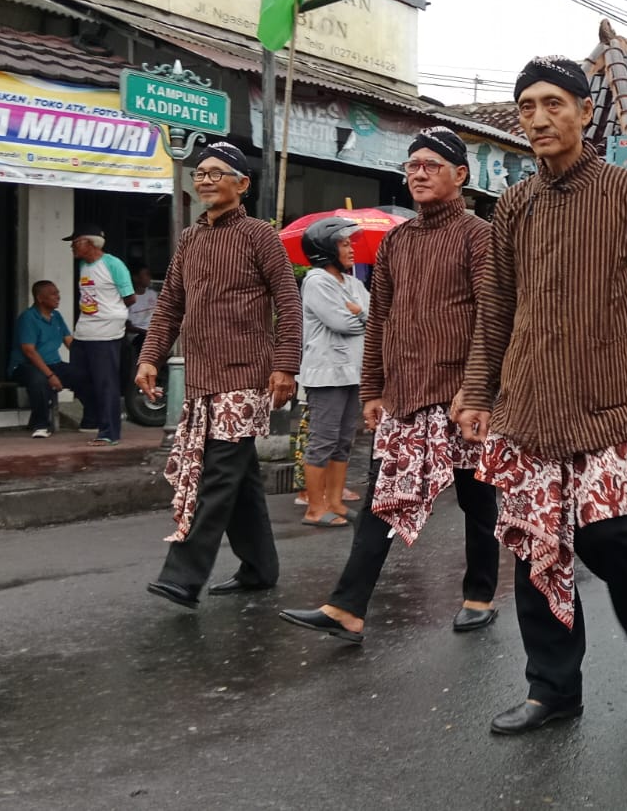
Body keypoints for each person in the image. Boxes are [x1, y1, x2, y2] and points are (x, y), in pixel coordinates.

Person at [457, 56, 627, 735]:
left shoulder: (625, 193)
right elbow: (495, 306)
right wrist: (477, 391)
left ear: (586, 112)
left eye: (554, 103)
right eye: (527, 106)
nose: (539, 118)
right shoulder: (516, 204)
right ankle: (553, 690)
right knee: (535, 551)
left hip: (605, 400)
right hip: (526, 405)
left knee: (605, 534)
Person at [280, 127, 502, 643]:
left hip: (459, 397)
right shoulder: (398, 241)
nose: (419, 173)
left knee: (477, 500)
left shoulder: (479, 237)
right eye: (413, 165)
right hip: (403, 396)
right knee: (382, 498)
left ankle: (480, 594)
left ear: (460, 176)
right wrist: (374, 389)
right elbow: (378, 319)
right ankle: (348, 608)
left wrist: (477, 390)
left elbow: (493, 318)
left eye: (432, 165)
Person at [136, 142, 302, 610]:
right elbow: (169, 305)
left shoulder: (259, 236)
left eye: (216, 173)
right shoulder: (190, 239)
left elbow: (288, 304)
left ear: (242, 184)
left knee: (218, 473)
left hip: (246, 376)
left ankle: (183, 575)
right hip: (202, 379)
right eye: (199, 173)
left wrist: (285, 365)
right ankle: (259, 568)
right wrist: (150, 357)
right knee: (238, 477)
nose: (204, 180)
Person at [295, 216, 368, 527]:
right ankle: (314, 507)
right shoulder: (316, 281)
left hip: (353, 372)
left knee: (343, 440)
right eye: (344, 243)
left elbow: (376, 316)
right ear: (325, 248)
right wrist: (362, 314)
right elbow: (341, 323)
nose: (351, 249)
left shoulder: (353, 283)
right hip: (326, 374)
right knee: (323, 439)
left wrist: (360, 312)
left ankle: (335, 502)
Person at [65, 223, 136, 446]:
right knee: (76, 376)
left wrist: (112, 314)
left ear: (89, 243)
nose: (72, 248)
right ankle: (94, 415)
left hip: (106, 333)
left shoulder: (113, 264)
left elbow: (130, 297)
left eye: (75, 243)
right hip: (84, 331)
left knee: (106, 383)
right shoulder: (83, 266)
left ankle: (109, 432)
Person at [8, 281, 85, 437]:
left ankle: (91, 419)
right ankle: (41, 425)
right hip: (25, 366)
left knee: (83, 374)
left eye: (58, 293)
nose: (58, 297)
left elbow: (69, 341)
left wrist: (86, 361)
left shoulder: (56, 316)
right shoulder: (28, 317)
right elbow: (29, 351)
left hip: (53, 363)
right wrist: (50, 375)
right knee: (40, 380)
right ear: (40, 298)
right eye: (53, 294)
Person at [125, 265, 159, 336]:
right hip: (138, 335)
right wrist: (146, 332)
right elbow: (127, 326)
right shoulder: (129, 299)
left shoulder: (153, 294)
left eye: (149, 274)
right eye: (146, 274)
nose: (149, 277)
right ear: (136, 278)